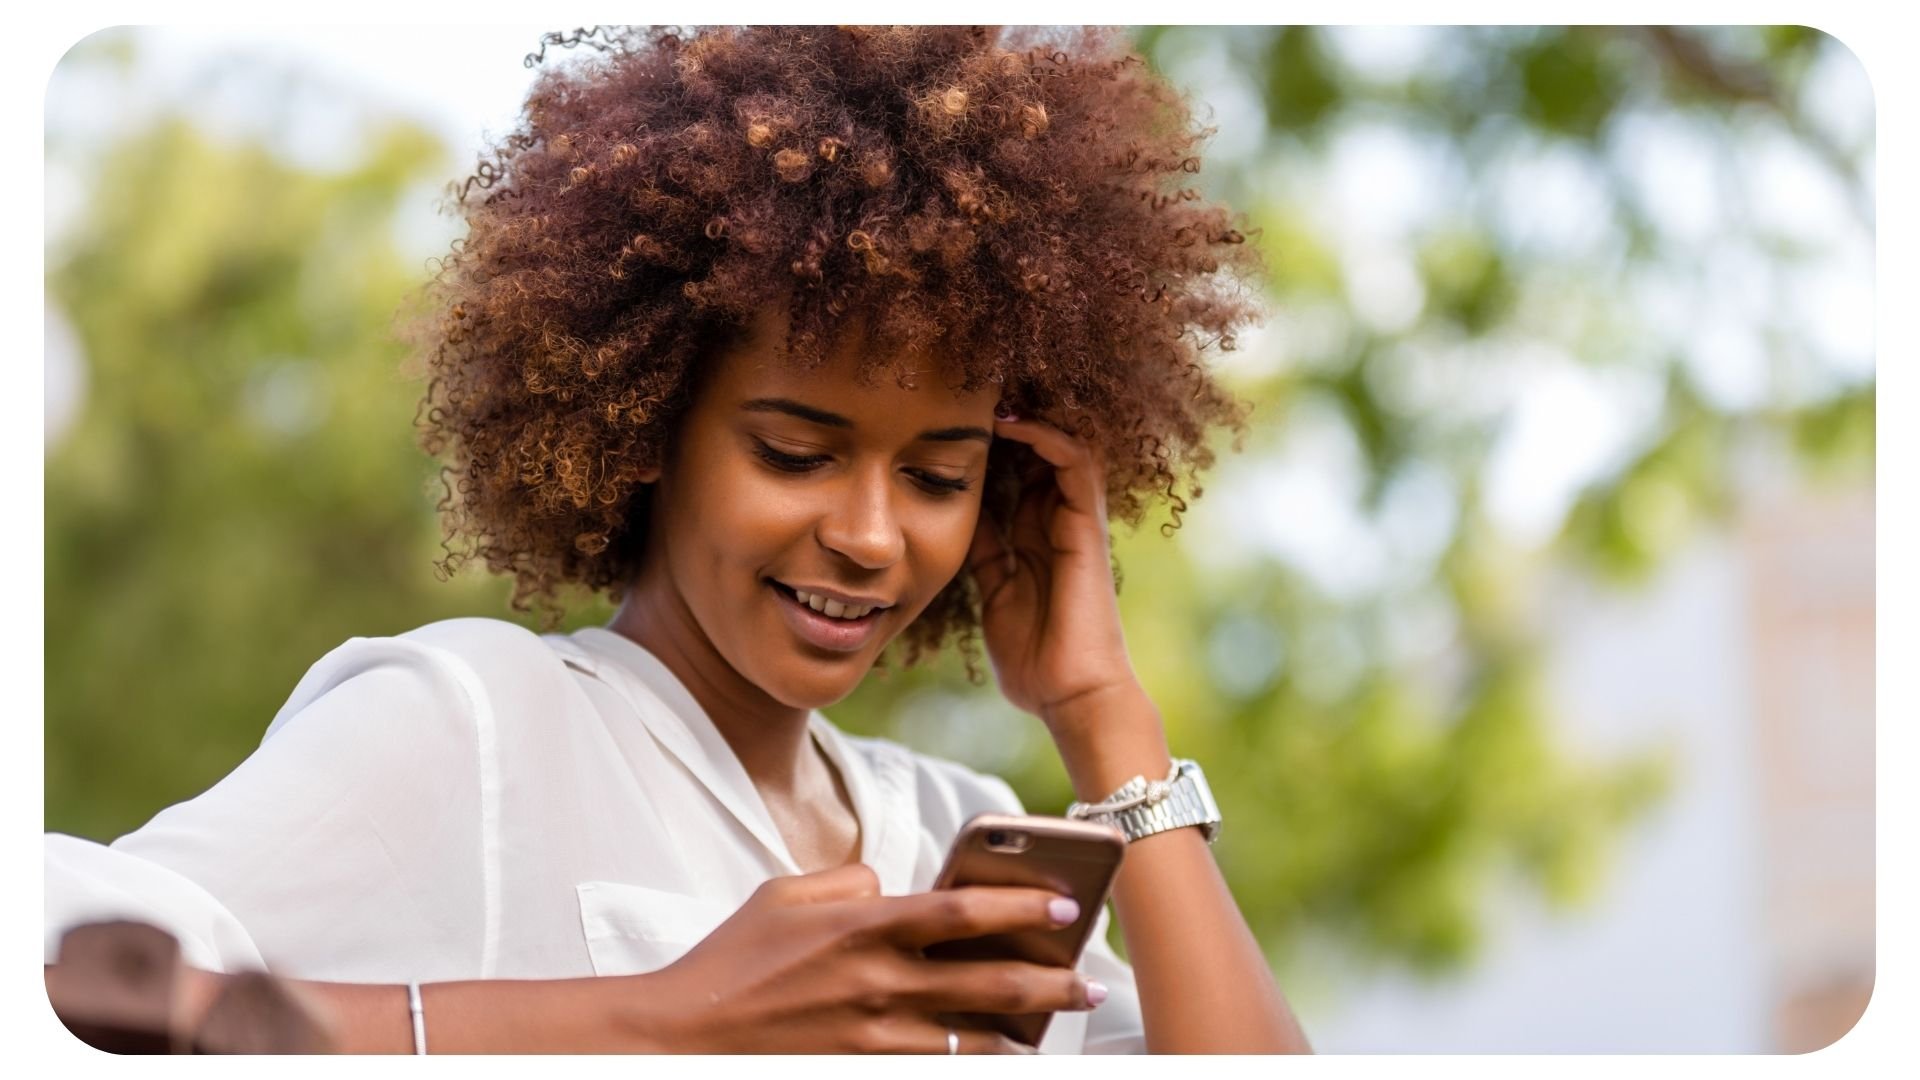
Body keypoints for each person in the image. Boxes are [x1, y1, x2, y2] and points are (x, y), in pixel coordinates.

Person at [44, 25, 1310, 1054]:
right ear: (650, 427)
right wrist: (663, 1014)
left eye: (938, 474)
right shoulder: (479, 723)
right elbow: (65, 982)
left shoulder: (950, 828)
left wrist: (1104, 718)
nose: (872, 535)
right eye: (792, 454)